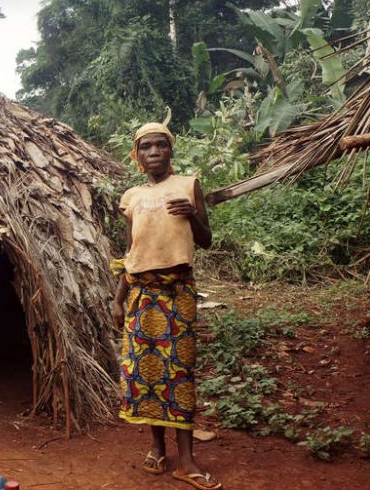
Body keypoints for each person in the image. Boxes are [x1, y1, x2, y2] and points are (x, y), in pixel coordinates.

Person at [111, 112, 220, 490]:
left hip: (176, 294)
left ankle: (186, 459)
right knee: (146, 375)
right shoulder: (133, 198)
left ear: (171, 150)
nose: (154, 151)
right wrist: (118, 299)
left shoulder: (189, 186)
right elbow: (131, 251)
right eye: (146, 146)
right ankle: (158, 448)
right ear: (136, 156)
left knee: (179, 374)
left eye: (161, 145)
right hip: (141, 296)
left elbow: (205, 241)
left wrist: (192, 216)